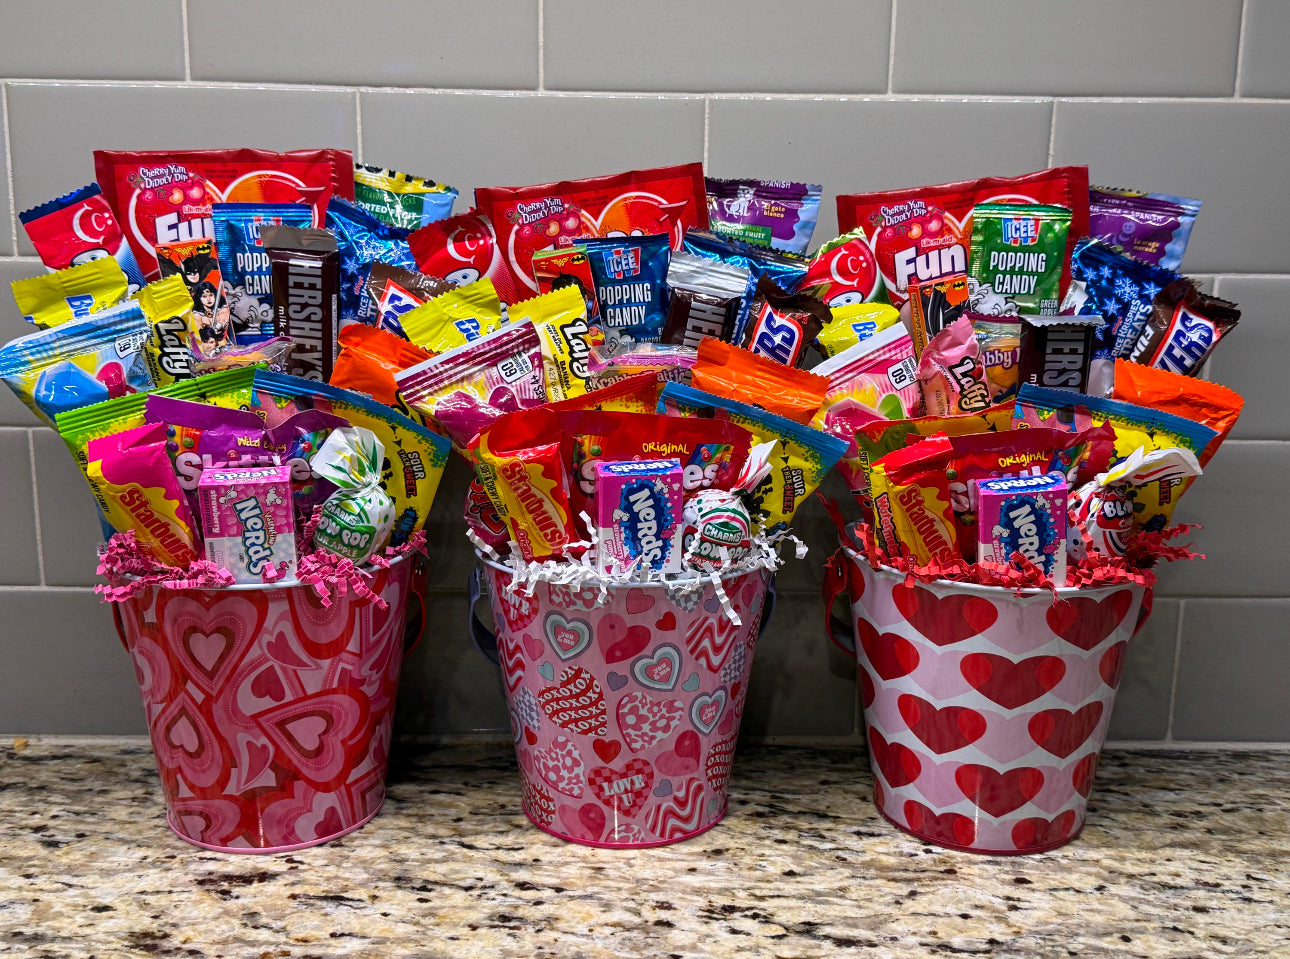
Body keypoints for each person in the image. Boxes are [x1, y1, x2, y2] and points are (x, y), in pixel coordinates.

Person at [192, 280, 232, 351]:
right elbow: (198, 334)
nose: (208, 299)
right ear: (199, 298)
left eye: (211, 295)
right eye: (204, 296)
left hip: (223, 344)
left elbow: (223, 318)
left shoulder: (223, 309)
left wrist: (218, 326)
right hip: (206, 347)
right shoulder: (197, 315)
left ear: (215, 295)